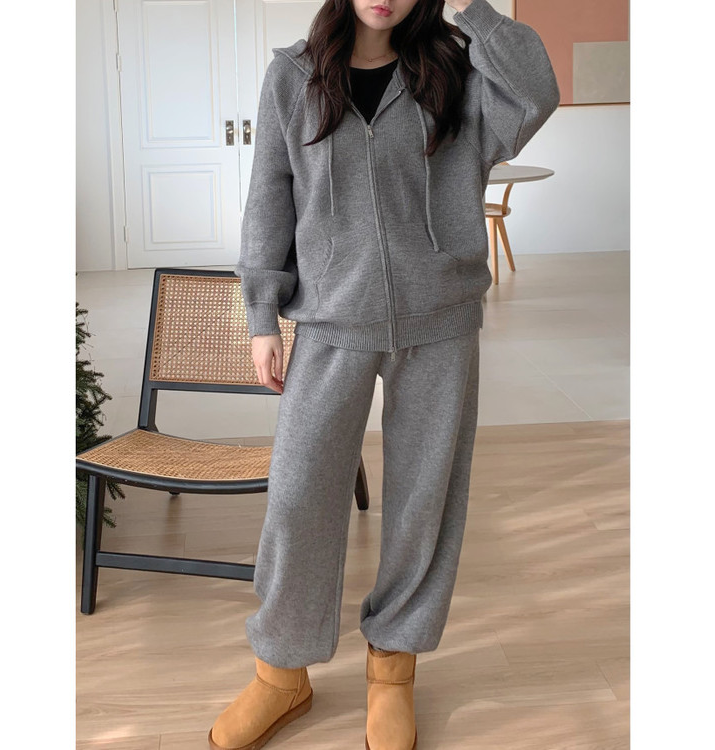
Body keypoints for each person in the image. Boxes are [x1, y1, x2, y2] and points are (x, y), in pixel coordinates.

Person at [209, 0, 559, 748]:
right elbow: (270, 193)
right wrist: (262, 315)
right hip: (331, 320)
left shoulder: (456, 70)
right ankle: (281, 673)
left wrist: (474, 11)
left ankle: (393, 669)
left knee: (423, 502)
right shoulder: (294, 76)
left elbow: (537, 92)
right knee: (299, 495)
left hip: (439, 320)